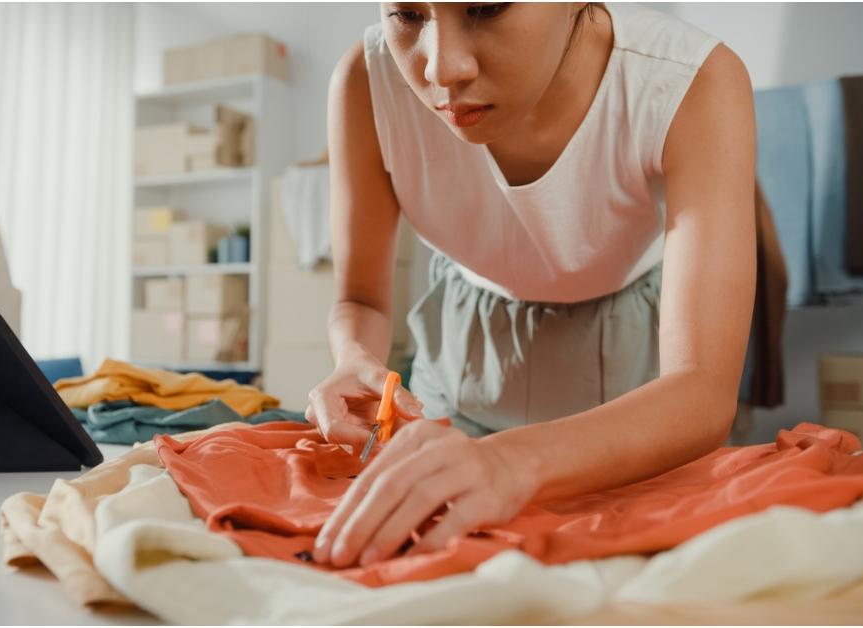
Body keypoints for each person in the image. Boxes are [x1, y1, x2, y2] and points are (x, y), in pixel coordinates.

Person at [303, 2, 756, 569]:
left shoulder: (689, 80)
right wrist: (352, 358)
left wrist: (507, 462)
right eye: (406, 14)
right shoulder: (365, 84)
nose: (443, 70)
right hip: (461, 348)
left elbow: (702, 390)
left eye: (487, 7)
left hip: (637, 382)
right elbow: (360, 300)